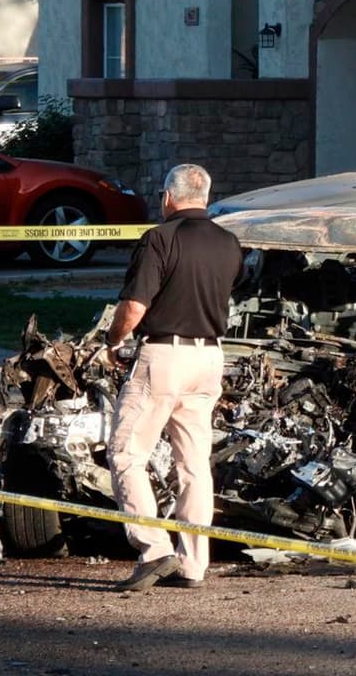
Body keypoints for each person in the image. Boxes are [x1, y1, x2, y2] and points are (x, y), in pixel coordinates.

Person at [104, 163, 242, 591]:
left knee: (126, 452)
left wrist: (112, 341)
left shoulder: (159, 239)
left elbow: (134, 306)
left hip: (164, 355)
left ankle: (154, 549)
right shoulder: (229, 242)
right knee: (194, 464)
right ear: (206, 195)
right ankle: (193, 564)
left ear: (168, 196)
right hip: (210, 358)